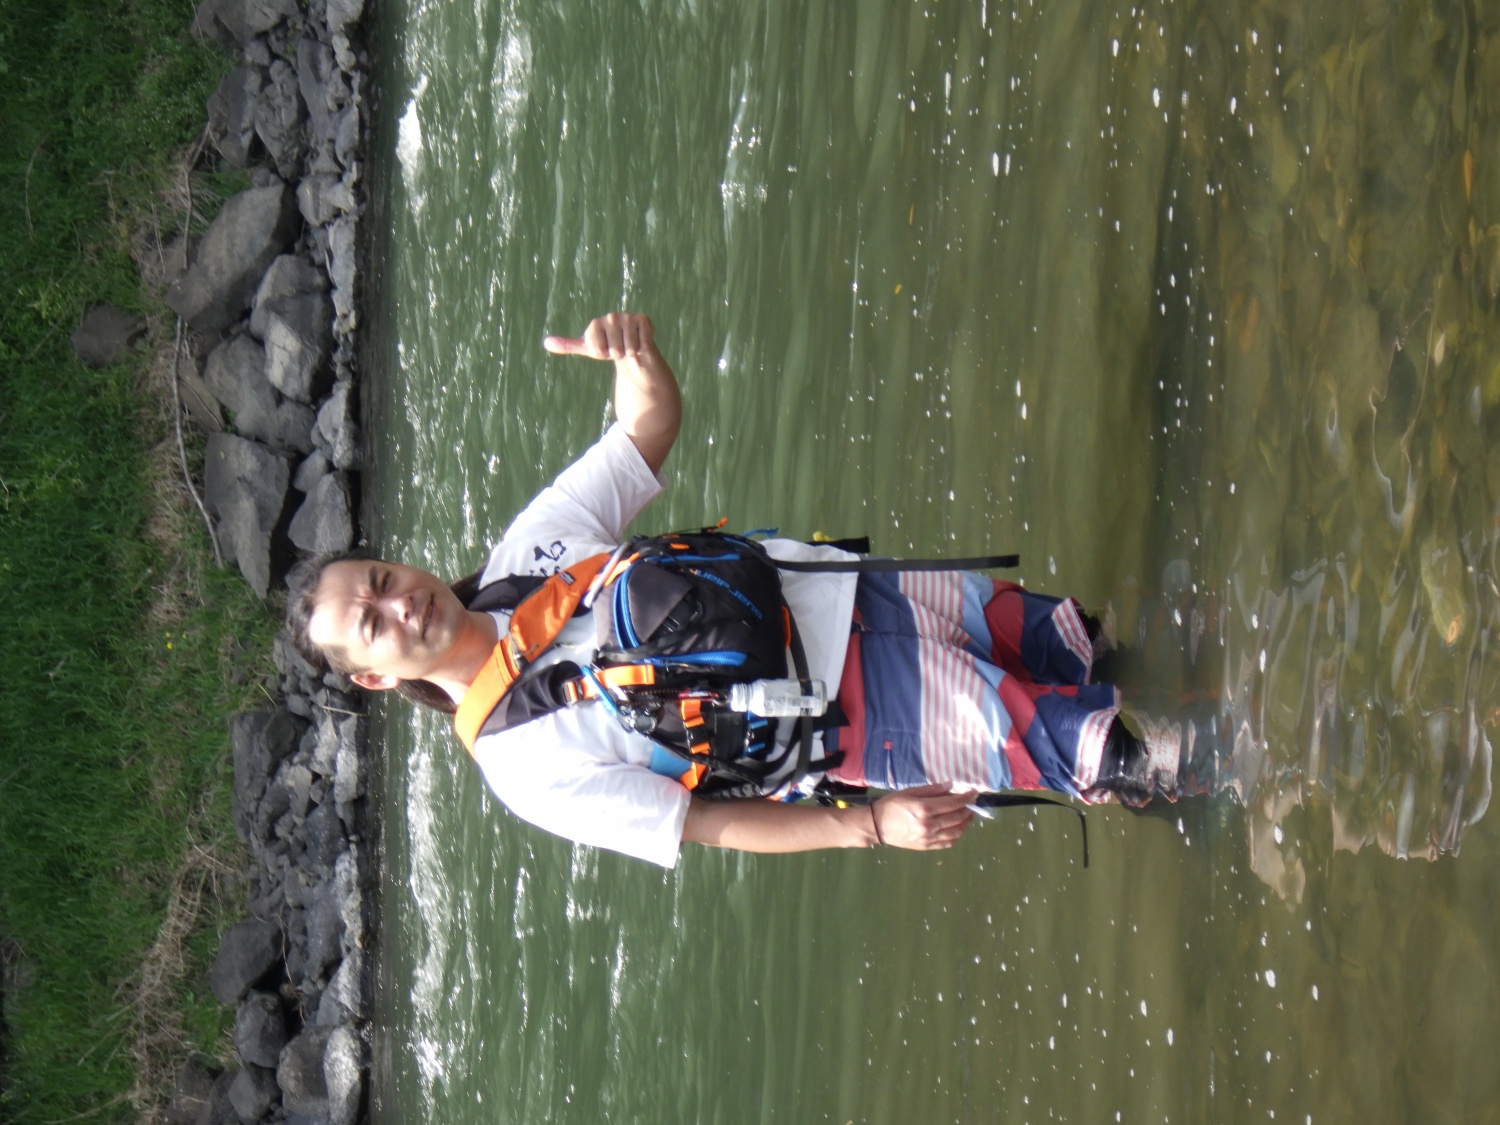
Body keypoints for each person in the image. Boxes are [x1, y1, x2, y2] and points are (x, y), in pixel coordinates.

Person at [288, 313, 1183, 868]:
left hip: (852, 591)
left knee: (1081, 640)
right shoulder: (525, 770)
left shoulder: (524, 553)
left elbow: (647, 426)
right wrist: (873, 825)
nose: (399, 604)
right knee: (1104, 751)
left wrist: (634, 356)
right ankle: (1234, 780)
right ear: (374, 675)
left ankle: (1210, 696)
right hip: (854, 715)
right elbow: (704, 822)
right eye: (371, 623)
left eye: (381, 580)